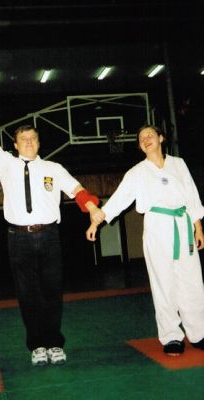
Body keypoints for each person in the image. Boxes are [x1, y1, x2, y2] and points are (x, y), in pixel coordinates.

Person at [0, 88, 102, 366]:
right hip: (18, 239)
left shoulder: (54, 168)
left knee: (52, 292)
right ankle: (37, 345)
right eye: (23, 139)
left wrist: (93, 208)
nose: (28, 142)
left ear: (39, 143)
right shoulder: (5, 163)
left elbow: (78, 190)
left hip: (49, 236)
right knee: (27, 294)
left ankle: (54, 344)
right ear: (15, 144)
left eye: (33, 138)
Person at [87, 125, 204, 356]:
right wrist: (96, 222)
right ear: (140, 146)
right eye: (141, 138)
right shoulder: (137, 172)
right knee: (163, 282)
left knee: (191, 281)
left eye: (150, 135)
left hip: (183, 224)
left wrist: (197, 227)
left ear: (161, 138)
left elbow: (191, 195)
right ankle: (171, 336)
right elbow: (118, 200)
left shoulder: (178, 164)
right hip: (157, 226)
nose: (146, 139)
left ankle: (199, 332)